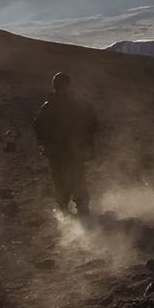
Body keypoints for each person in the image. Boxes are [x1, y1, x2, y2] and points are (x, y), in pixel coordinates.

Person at [32, 72, 99, 215]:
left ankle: (63, 210)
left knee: (59, 179)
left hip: (56, 151)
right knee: (78, 178)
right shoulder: (80, 103)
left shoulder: (48, 105)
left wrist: (44, 143)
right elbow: (94, 123)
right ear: (69, 85)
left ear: (54, 86)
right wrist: (86, 141)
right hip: (76, 150)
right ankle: (82, 209)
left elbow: (37, 125)